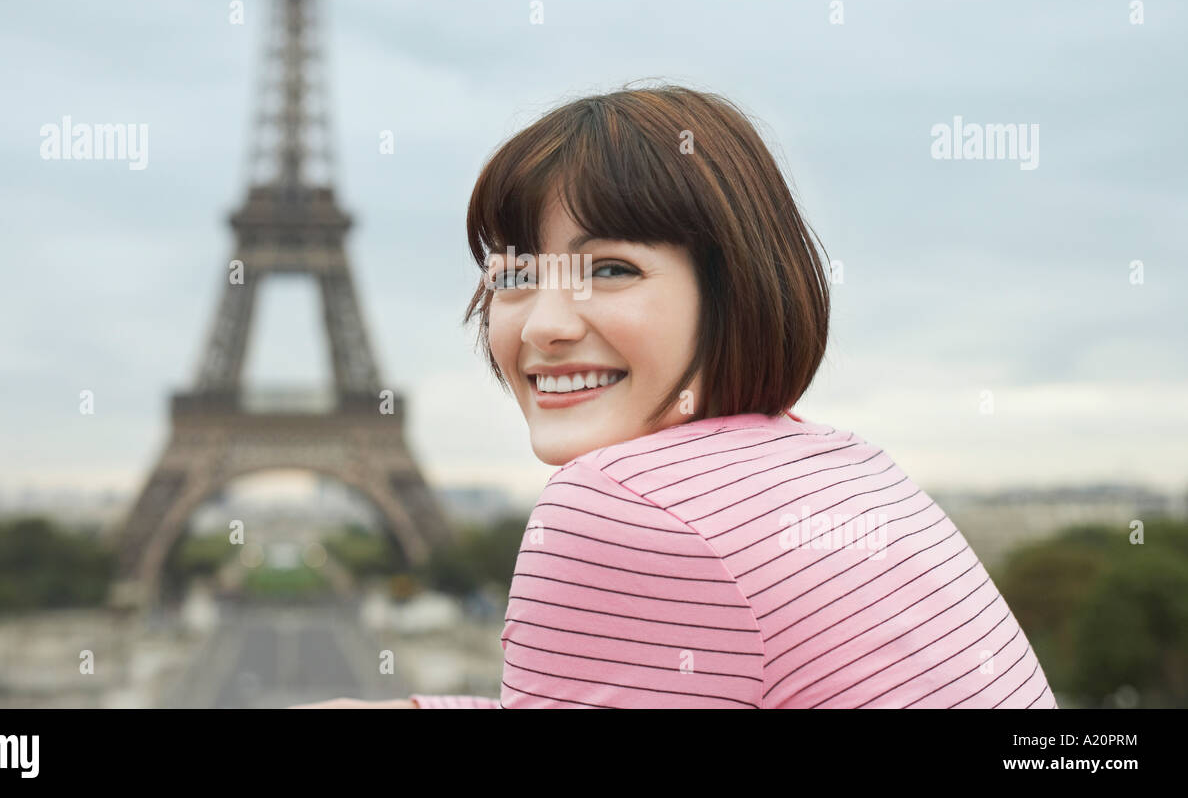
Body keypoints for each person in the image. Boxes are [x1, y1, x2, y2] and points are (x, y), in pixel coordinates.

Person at [297, 83, 1057, 709]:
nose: (547, 326)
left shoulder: (616, 506)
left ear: (731, 289)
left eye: (612, 269)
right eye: (517, 276)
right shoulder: (845, 465)